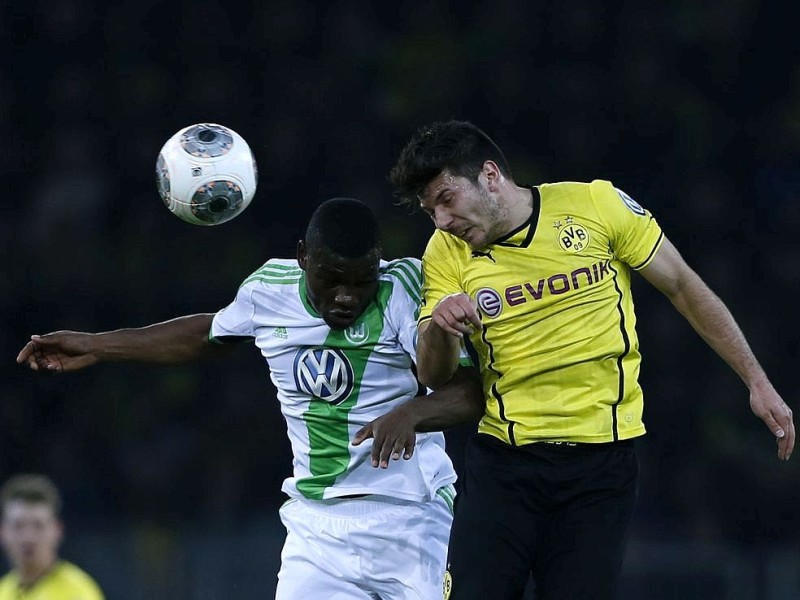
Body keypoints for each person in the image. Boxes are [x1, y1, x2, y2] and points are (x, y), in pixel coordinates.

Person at [388, 119, 795, 600]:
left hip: (600, 468)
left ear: (490, 176)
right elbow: (432, 374)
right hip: (504, 467)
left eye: (446, 199)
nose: (440, 220)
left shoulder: (595, 206)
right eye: (429, 209)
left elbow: (683, 285)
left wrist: (756, 380)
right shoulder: (445, 252)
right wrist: (439, 324)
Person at [17, 197, 483, 599]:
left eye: (360, 281)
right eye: (332, 279)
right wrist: (95, 345)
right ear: (303, 257)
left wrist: (413, 413)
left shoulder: (402, 288)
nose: (346, 296)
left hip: (410, 511)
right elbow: (207, 333)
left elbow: (467, 391)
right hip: (316, 522)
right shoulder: (268, 290)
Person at [0, 473, 105, 600]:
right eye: (18, 526)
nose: (28, 537)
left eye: (38, 526)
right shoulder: (3, 591)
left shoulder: (77, 593)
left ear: (57, 531)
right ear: (3, 532)